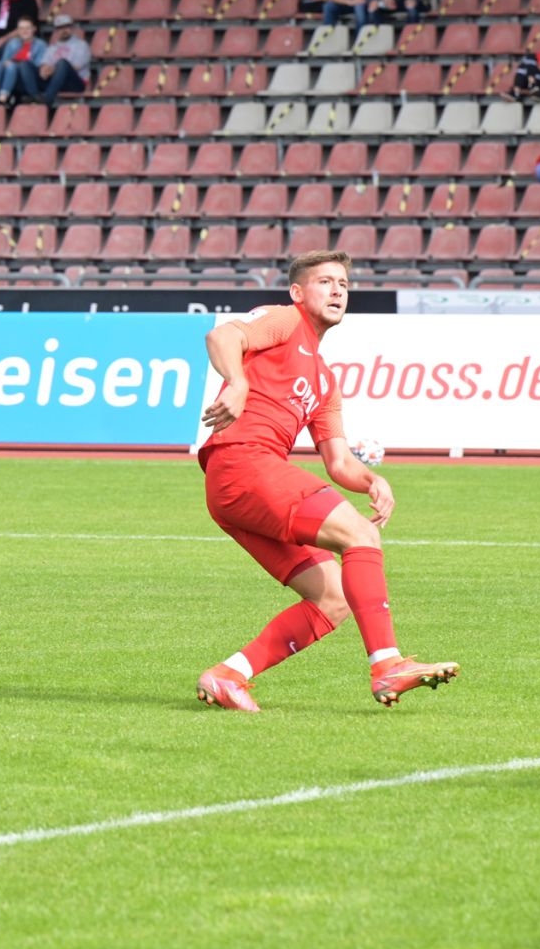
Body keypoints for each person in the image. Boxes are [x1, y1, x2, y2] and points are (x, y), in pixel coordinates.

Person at [194, 251, 459, 712]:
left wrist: (371, 480)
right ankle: (387, 665)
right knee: (360, 534)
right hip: (243, 463)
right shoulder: (285, 320)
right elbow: (221, 335)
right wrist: (237, 382)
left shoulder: (325, 381)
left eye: (343, 284)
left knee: (333, 598)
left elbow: (339, 462)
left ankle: (228, 675)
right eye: (325, 282)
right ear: (298, 292)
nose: (337, 291)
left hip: (236, 489)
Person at [21, 11, 89, 105]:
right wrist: (43, 70)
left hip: (74, 82)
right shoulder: (52, 48)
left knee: (63, 63)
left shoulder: (81, 45)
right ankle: (35, 97)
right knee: (25, 64)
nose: (64, 30)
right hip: (54, 81)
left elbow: (76, 67)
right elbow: (44, 64)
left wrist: (53, 70)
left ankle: (47, 100)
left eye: (66, 27)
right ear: (56, 31)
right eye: (60, 28)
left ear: (72, 28)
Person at [0, 16, 44, 103]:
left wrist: (15, 63)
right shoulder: (12, 43)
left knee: (12, 66)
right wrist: (8, 63)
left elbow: (37, 67)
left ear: (34, 29)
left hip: (27, 78)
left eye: (27, 28)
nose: (24, 31)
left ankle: (3, 97)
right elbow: (4, 62)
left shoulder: (41, 45)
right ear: (18, 31)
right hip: (10, 75)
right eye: (21, 28)